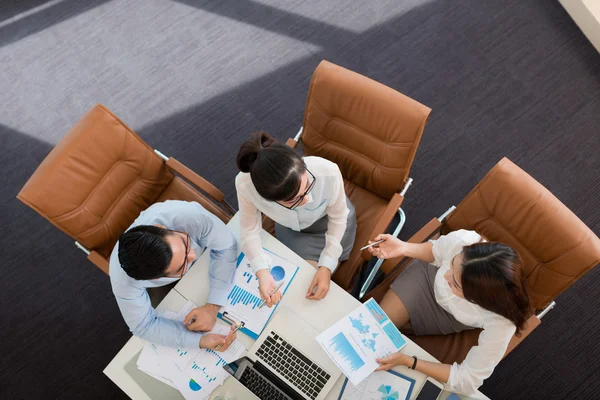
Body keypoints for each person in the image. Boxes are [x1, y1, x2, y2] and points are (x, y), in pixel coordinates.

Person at [368, 229, 532, 395]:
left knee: (386, 356)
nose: (446, 275)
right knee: (372, 334)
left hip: (450, 319)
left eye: (456, 283)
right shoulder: (463, 241)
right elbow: (435, 253)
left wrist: (409, 361)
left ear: (479, 299)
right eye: (452, 264)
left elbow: (467, 381)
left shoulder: (502, 321)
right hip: (425, 278)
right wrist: (403, 247)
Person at [235, 132, 356, 305]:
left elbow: (338, 217)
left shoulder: (328, 171)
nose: (307, 200)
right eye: (295, 200)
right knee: (297, 286)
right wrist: (261, 272)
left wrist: (327, 265)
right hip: (292, 229)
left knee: (310, 285)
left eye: (308, 186)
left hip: (330, 222)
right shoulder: (246, 185)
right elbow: (249, 231)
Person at [110, 200, 238, 351]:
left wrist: (213, 306)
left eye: (185, 243)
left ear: (161, 228)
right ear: (155, 279)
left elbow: (226, 245)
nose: (192, 255)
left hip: (210, 257)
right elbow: (143, 326)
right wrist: (200, 341)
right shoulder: (124, 282)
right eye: (182, 264)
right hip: (184, 286)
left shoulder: (188, 216)